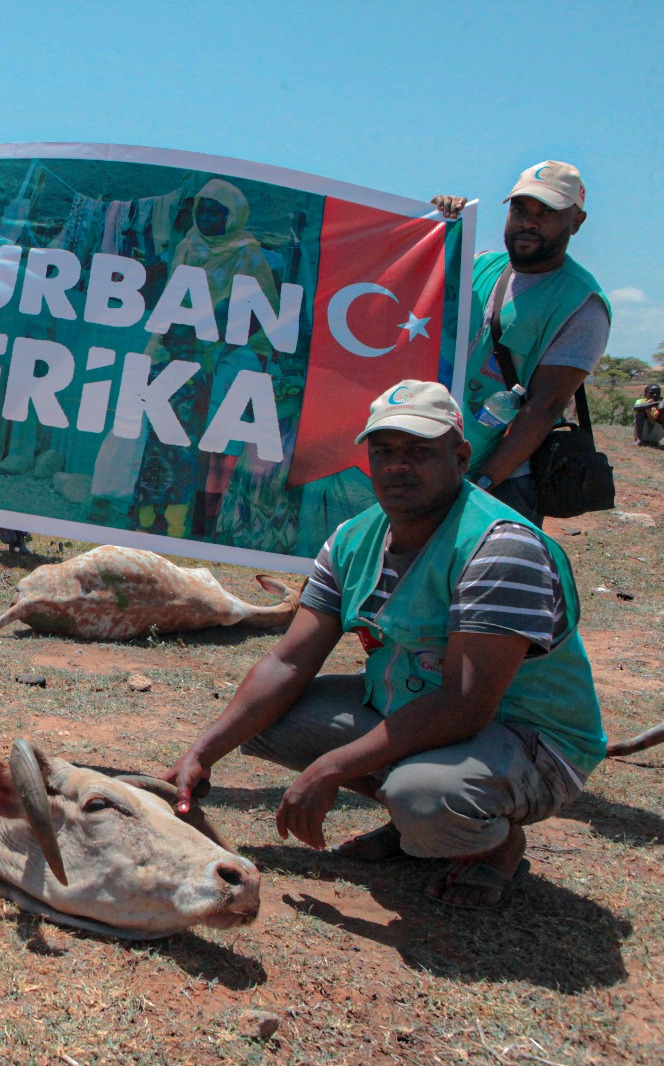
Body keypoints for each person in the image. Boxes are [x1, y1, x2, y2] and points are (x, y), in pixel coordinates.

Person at [165, 380, 605, 909]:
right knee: (265, 720)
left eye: (420, 451)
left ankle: (493, 843)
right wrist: (202, 751)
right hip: (420, 706)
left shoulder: (499, 547)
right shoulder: (353, 538)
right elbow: (287, 660)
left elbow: (464, 707)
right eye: (384, 451)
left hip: (530, 737)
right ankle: (415, 824)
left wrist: (330, 768)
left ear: (460, 456)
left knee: (423, 796)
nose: (398, 466)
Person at [432, 161, 610, 527]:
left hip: (500, 482)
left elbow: (544, 408)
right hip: (432, 459)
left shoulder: (582, 304)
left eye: (548, 213)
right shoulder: (479, 265)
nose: (529, 221)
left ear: (576, 222)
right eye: (520, 209)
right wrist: (440, 226)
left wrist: (481, 485)